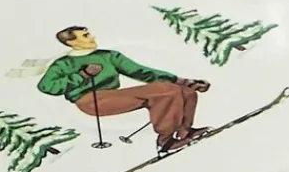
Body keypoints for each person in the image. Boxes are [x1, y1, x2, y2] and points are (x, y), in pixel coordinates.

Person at [36, 25, 207, 154]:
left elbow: (140, 71)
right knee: (168, 91)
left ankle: (184, 131)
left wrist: (184, 82)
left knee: (185, 92)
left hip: (113, 95)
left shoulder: (108, 55)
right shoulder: (64, 64)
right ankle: (166, 141)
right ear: (71, 42)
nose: (92, 36)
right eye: (86, 35)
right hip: (90, 100)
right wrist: (82, 75)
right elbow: (46, 86)